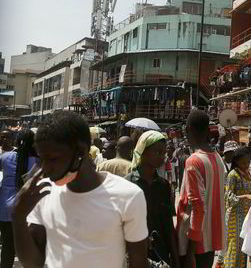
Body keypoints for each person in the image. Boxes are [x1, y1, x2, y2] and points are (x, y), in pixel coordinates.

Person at [12, 111, 149, 268]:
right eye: (42, 159)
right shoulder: (43, 192)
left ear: (81, 152)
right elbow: (33, 263)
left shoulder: (128, 195)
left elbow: (138, 262)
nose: (45, 168)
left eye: (53, 159)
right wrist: (18, 217)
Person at [176, 110, 226, 268]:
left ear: (188, 130)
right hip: (211, 239)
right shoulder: (217, 158)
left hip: (195, 242)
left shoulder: (194, 161)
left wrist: (190, 251)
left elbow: (198, 206)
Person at [126, 131, 180, 267]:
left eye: (164, 153)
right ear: (143, 152)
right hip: (135, 254)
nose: (162, 157)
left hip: (161, 253)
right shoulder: (128, 184)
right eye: (157, 152)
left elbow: (168, 224)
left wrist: (175, 258)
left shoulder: (163, 185)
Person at [0, 129, 39, 268]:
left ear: (17, 141)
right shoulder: (38, 161)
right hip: (29, 211)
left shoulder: (4, 157)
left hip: (5, 209)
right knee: (29, 250)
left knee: (7, 248)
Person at [224, 147, 251, 268]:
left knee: (244, 249)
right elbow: (228, 197)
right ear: (237, 161)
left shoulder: (249, 175)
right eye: (243, 162)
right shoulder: (233, 175)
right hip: (235, 217)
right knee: (235, 249)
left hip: (247, 216)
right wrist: (246, 197)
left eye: (248, 162)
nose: (246, 165)